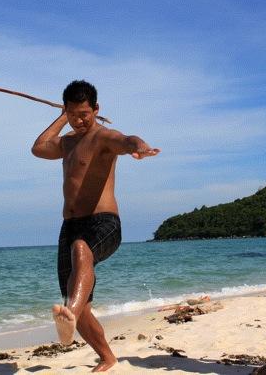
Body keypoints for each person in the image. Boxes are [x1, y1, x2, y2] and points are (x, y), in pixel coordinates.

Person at [31, 80, 159, 372]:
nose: (80, 119)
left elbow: (126, 140)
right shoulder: (67, 143)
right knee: (81, 301)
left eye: (85, 113)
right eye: (74, 114)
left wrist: (140, 147)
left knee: (81, 250)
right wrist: (62, 117)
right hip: (70, 226)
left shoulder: (102, 137)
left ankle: (69, 314)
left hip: (104, 223)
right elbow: (38, 148)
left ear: (97, 110)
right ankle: (107, 356)